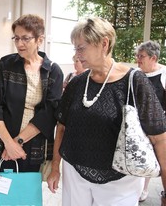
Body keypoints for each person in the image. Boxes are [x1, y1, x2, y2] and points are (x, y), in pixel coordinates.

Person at [47, 17, 166, 206]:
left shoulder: (135, 82)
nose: (77, 55)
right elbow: (61, 127)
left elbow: (159, 139)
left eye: (81, 48)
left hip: (121, 180)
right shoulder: (77, 83)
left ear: (104, 43)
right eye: (75, 48)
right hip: (75, 173)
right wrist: (55, 168)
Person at [0, 14, 63, 172]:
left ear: (39, 40)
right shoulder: (6, 65)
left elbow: (48, 115)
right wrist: (8, 143)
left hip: (34, 145)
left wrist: (17, 142)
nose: (19, 43)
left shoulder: (53, 72)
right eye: (16, 38)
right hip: (2, 143)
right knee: (1, 190)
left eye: (25, 38)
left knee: (26, 193)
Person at [135, 40, 166, 202]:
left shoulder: (164, 74)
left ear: (153, 58)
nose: (137, 60)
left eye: (141, 56)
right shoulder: (136, 73)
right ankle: (139, 187)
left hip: (158, 125)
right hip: (138, 123)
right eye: (137, 56)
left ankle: (146, 188)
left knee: (154, 158)